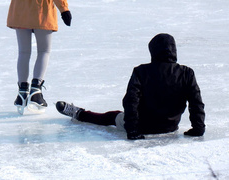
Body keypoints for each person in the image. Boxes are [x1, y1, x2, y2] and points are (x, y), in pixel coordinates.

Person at [56, 33, 206, 140]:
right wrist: (198, 128)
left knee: (112, 116)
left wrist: (132, 129)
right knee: (120, 114)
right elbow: (196, 103)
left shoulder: (141, 71)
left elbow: (131, 101)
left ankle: (80, 114)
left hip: (142, 126)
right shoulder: (187, 73)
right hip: (169, 127)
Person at [7, 0, 72, 114]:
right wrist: (64, 9)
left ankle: (21, 92)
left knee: (23, 52)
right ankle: (35, 91)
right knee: (44, 51)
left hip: (19, 7)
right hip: (41, 7)